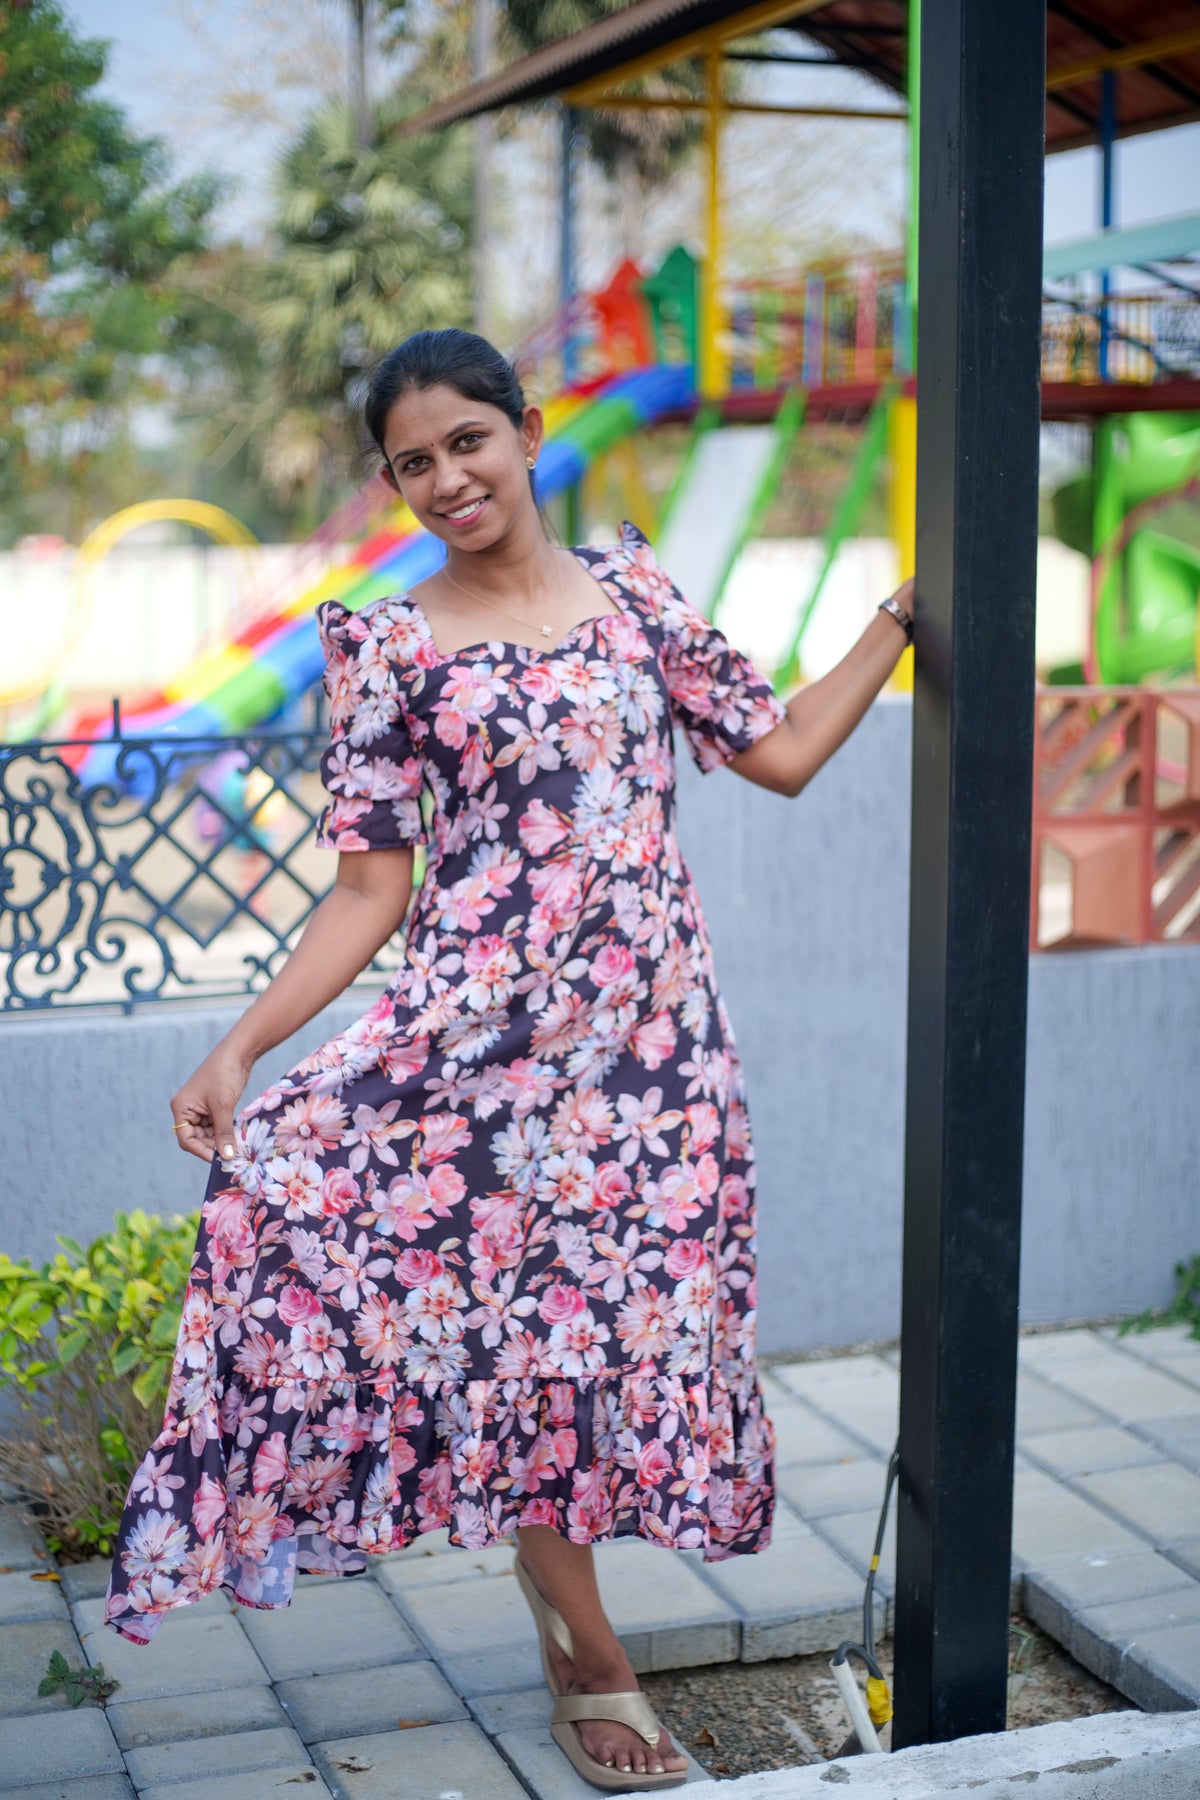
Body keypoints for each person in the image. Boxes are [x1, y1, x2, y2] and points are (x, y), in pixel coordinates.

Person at [104, 328, 913, 1791]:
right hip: (474, 1061)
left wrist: (898, 622)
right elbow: (371, 891)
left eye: (466, 442)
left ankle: (559, 1597)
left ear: (529, 433)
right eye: (411, 462)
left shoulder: (636, 594)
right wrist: (240, 1049)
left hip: (653, 1065)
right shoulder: (388, 649)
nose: (446, 479)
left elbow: (782, 752)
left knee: (612, 1339)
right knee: (522, 1341)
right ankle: (592, 1658)